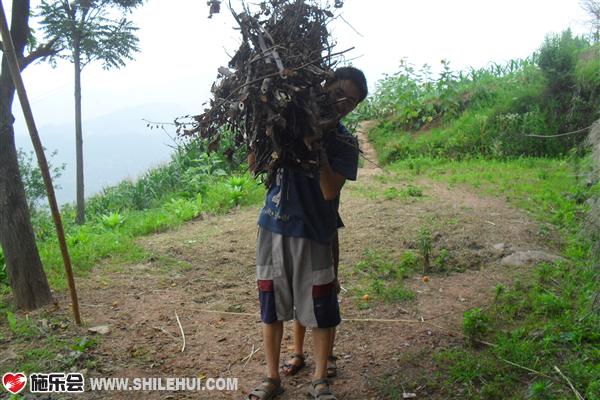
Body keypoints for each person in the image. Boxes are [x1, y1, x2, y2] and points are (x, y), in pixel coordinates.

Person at [245, 66, 368, 400]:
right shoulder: (287, 120)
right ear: (325, 86)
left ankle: (319, 381)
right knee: (271, 306)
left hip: (315, 232)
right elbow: (255, 165)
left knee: (320, 308)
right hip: (272, 226)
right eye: (339, 92)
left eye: (352, 101)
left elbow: (329, 190)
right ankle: (272, 378)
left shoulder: (344, 142)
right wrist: (260, 129)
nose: (343, 102)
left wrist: (318, 147)